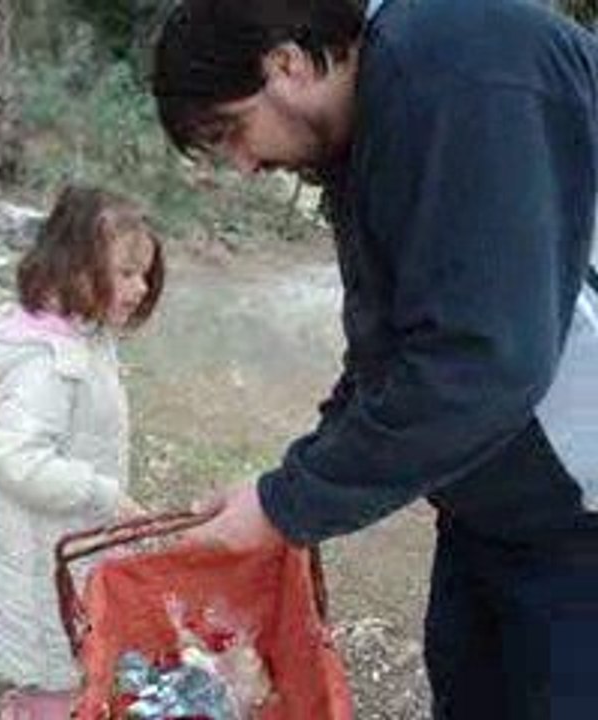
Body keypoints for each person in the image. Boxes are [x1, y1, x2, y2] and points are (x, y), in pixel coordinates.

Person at [150, 0, 598, 717]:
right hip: (497, 510)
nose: (244, 164)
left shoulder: (458, 63)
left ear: (288, 64)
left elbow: (483, 361)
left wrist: (285, 505)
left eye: (230, 131)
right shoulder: (378, 117)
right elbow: (393, 352)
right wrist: (286, 484)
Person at [0, 184, 164, 691]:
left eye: (143, 274)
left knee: (70, 659)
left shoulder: (84, 336)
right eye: (125, 274)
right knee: (51, 673)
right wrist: (103, 494)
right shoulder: (47, 365)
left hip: (66, 545)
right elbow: (20, 461)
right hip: (40, 559)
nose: (140, 288)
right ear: (74, 269)